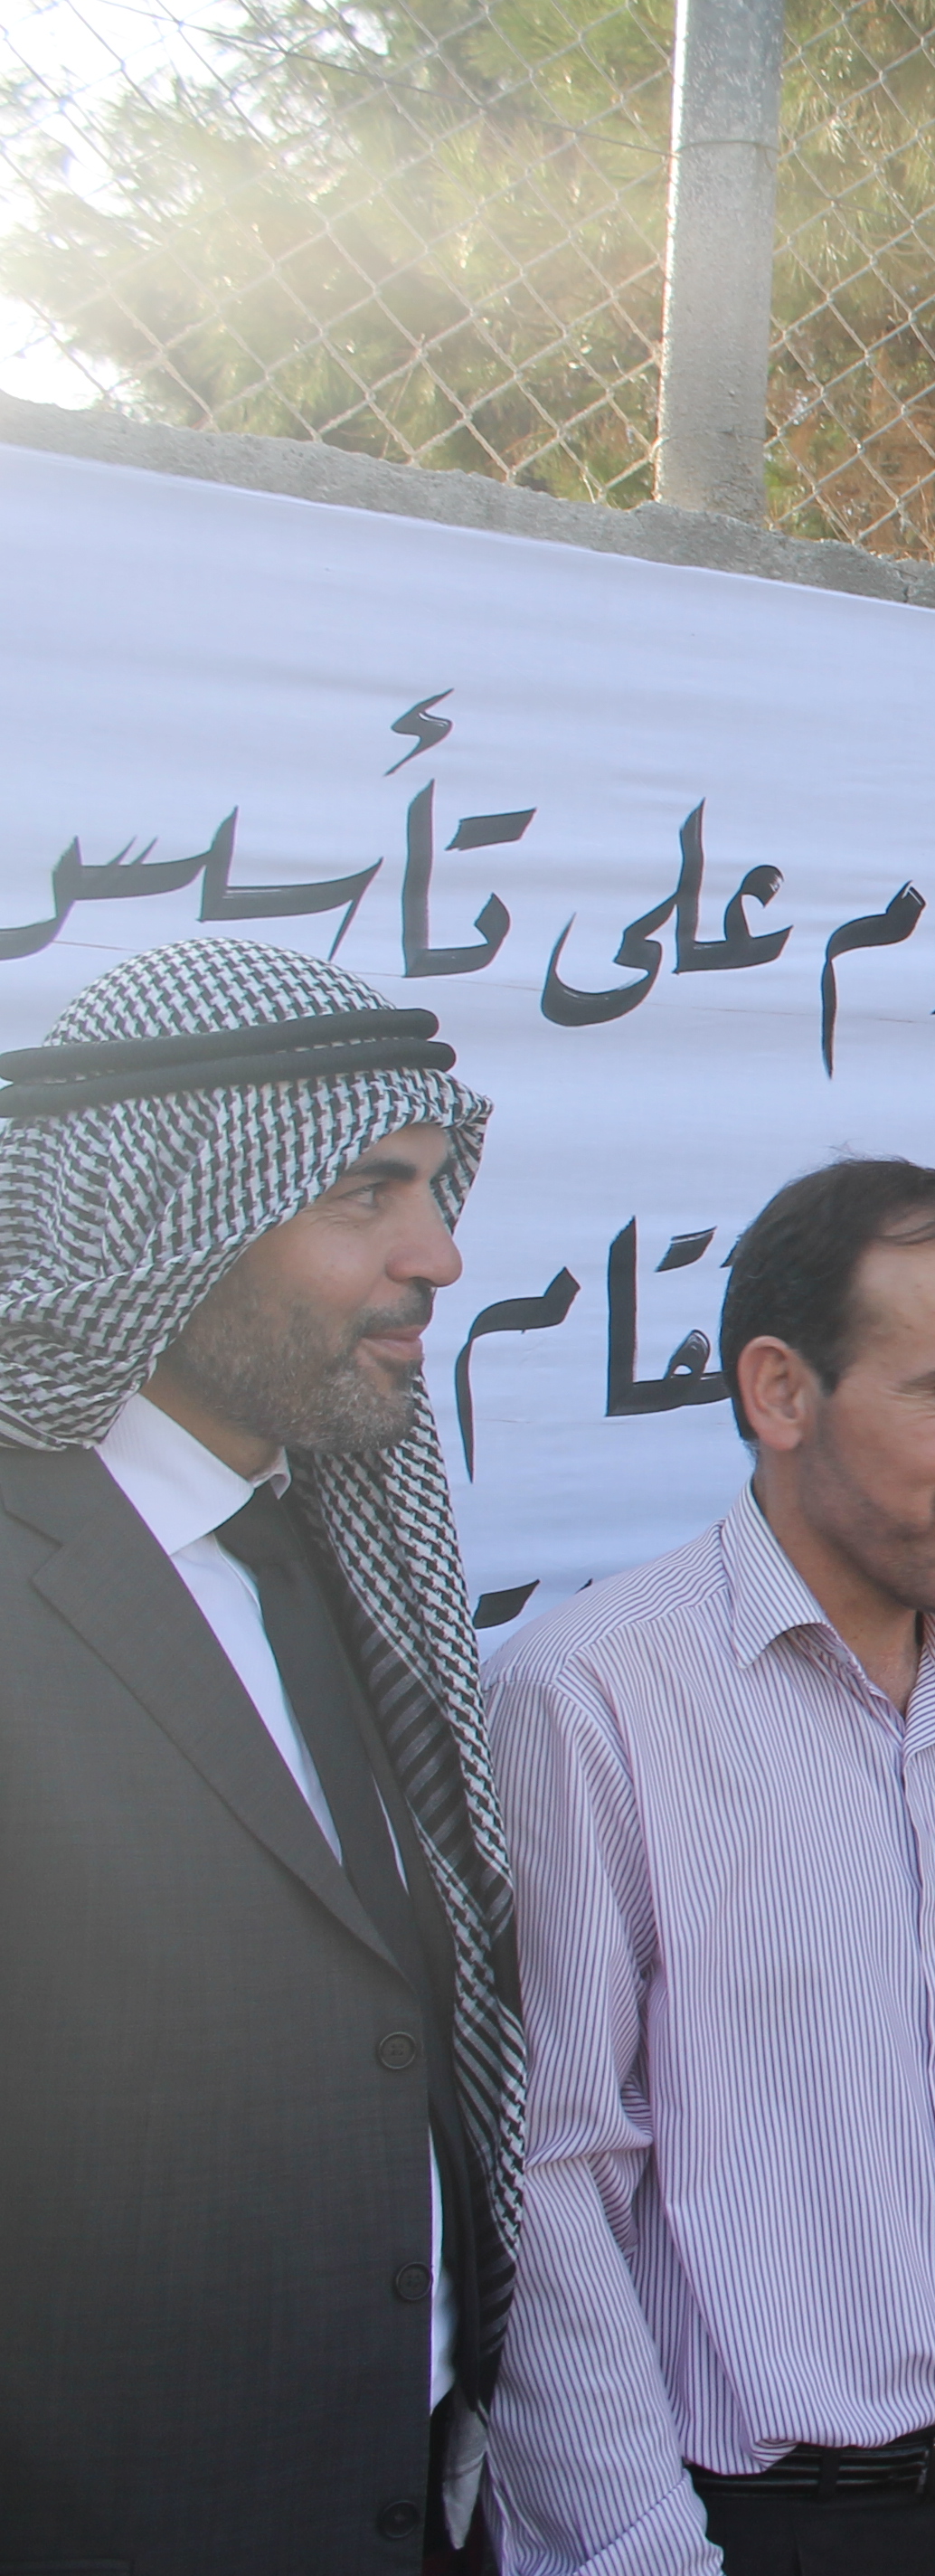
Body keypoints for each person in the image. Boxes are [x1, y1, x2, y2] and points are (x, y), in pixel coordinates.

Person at [486, 1160, 935, 2576]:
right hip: (771, 2530)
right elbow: (548, 2187)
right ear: (781, 1393)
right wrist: (641, 2555)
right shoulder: (595, 1700)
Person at [0, 939, 520, 2576]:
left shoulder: (334, 1545)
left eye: (435, 1186)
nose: (438, 1253)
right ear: (170, 1211)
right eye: (368, 1192)